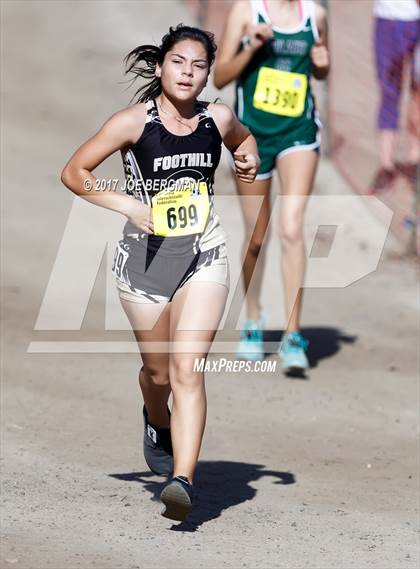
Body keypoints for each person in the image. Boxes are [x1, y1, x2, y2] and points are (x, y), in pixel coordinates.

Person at [61, 24, 259, 521]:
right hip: (144, 264)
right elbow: (75, 172)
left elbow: (243, 139)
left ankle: (182, 479)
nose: (188, 73)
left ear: (208, 73)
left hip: (203, 255)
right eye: (178, 62)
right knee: (158, 372)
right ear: (160, 66)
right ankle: (156, 422)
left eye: (198, 66)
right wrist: (126, 205)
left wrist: (247, 155)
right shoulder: (132, 123)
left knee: (188, 369)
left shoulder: (217, 117)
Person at [214, 0, 329, 373]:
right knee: (257, 236)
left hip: (299, 133)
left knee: (292, 227)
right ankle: (253, 320)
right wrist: (250, 45)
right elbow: (220, 77)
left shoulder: (315, 15)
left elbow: (320, 68)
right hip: (252, 137)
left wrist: (322, 65)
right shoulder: (246, 12)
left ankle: (293, 334)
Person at [371, 0, 420, 192]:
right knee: (389, 92)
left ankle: (414, 161)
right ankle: (386, 164)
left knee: (417, 93)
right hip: (388, 18)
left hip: (416, 19)